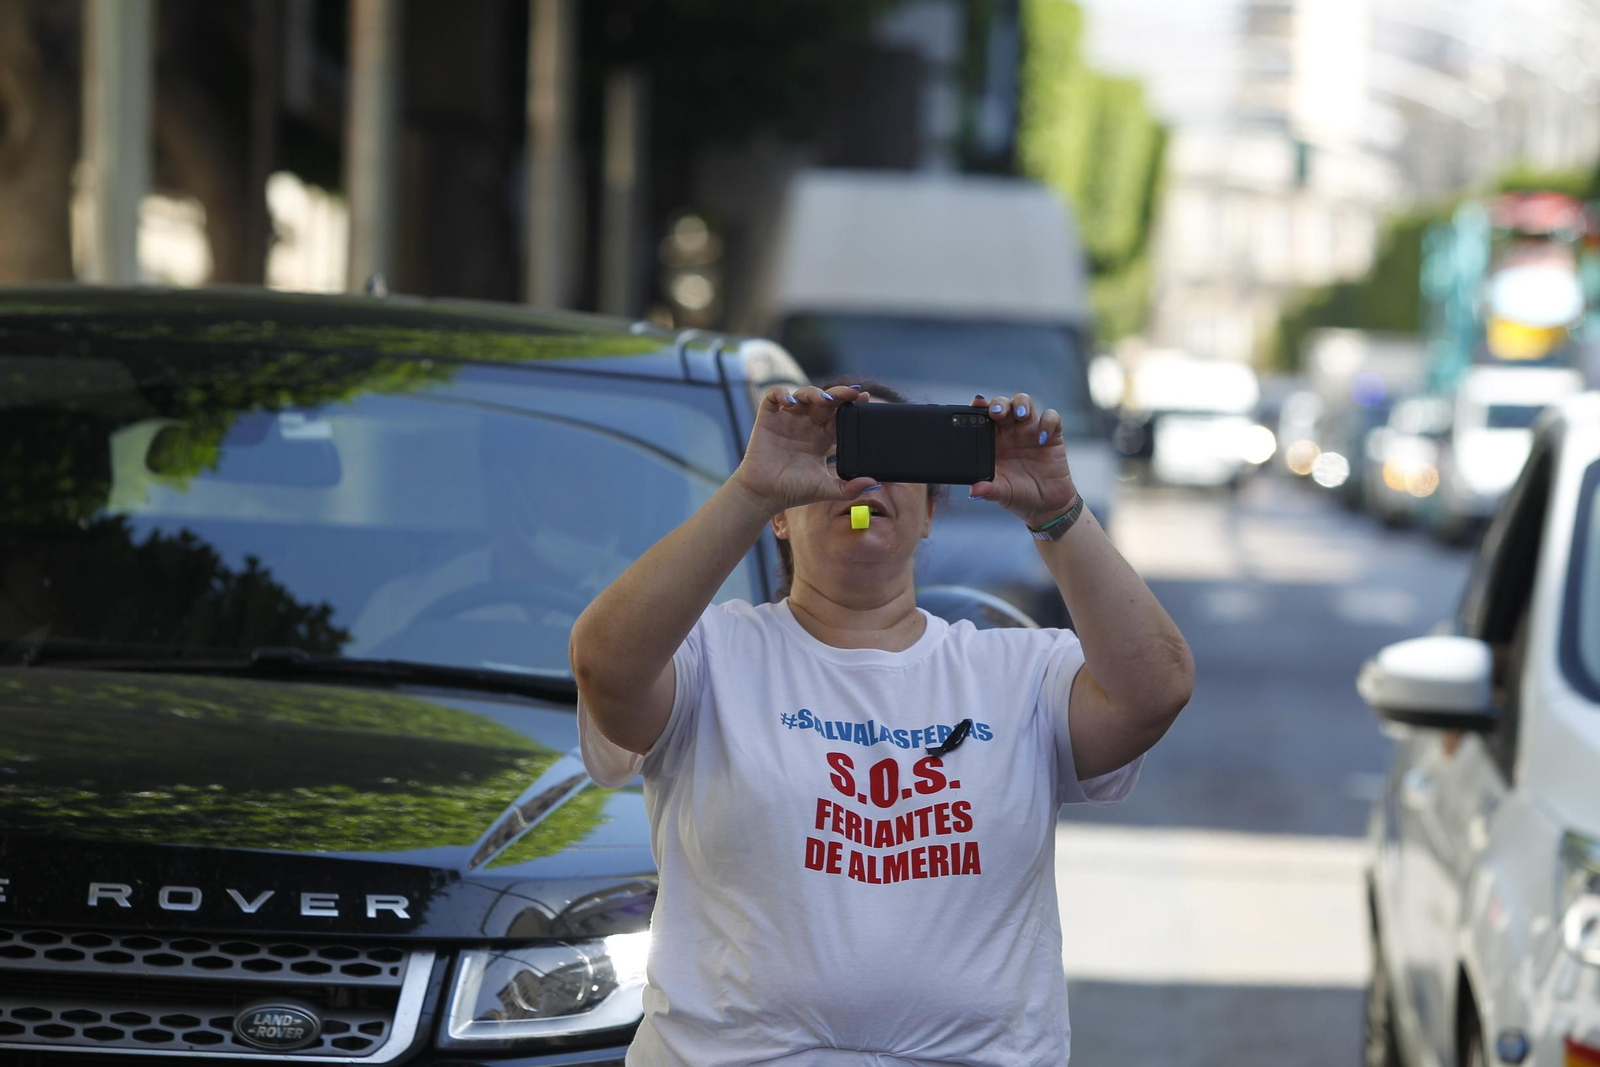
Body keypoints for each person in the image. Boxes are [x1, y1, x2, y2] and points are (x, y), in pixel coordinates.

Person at [570, 381, 1194, 1066]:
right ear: (782, 513)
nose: (864, 481)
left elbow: (1155, 690)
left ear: (930, 514)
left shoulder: (1018, 670)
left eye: (895, 459)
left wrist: (1057, 512)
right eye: (836, 457)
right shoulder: (709, 653)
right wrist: (751, 489)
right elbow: (605, 666)